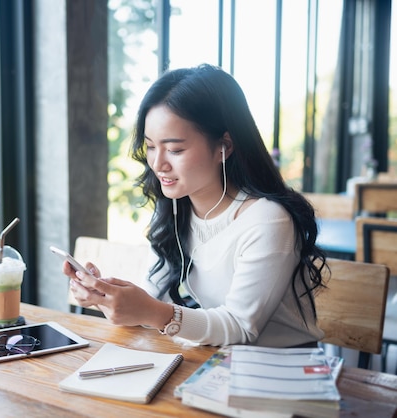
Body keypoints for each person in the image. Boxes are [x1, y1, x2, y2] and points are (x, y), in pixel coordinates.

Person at [65, 64, 327, 348]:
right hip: (220, 362)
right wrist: (104, 294)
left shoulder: (267, 220)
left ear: (224, 147)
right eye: (151, 146)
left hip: (285, 370)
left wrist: (153, 311)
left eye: (175, 149)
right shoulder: (176, 207)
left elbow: (239, 327)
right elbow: (155, 299)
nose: (158, 164)